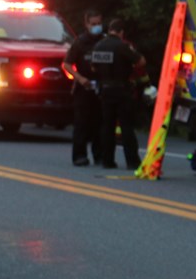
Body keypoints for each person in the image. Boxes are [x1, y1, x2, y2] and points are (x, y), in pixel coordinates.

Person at [91, 18, 147, 170]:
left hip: (105, 90)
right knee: (126, 126)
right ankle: (132, 161)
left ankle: (107, 160)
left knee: (107, 126)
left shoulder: (98, 46)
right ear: (121, 32)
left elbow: (94, 68)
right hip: (122, 91)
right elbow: (141, 61)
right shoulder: (122, 46)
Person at [62, 9, 104, 167]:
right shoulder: (80, 42)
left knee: (100, 123)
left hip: (100, 87)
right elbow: (66, 64)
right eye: (93, 24)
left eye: (99, 23)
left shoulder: (104, 41)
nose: (97, 27)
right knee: (81, 123)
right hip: (83, 88)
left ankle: (99, 155)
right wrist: (79, 78)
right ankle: (79, 156)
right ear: (86, 24)